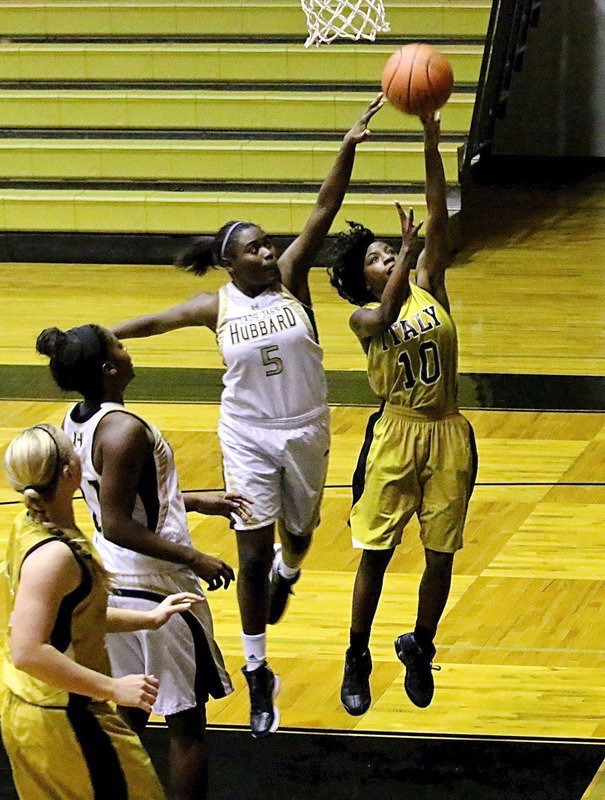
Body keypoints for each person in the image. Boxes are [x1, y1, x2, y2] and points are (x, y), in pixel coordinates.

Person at [109, 94, 385, 737]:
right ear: (231, 263)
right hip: (247, 434)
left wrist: (346, 149)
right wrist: (100, 334)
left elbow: (324, 209)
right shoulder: (216, 304)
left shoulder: (292, 277)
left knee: (301, 533)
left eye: (267, 246)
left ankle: (292, 567)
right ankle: (259, 671)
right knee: (251, 552)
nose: (268, 254)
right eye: (255, 249)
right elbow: (155, 321)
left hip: (308, 425)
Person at [36, 325, 248, 800]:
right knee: (186, 725)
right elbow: (117, 522)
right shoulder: (127, 429)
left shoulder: (76, 419)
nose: (129, 353)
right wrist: (196, 556)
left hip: (110, 579)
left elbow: (118, 496)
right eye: (121, 348)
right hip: (156, 584)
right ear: (110, 370)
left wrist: (193, 501)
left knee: (129, 714)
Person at [326, 113, 478, 714]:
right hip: (395, 435)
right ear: (358, 281)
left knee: (440, 553)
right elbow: (386, 318)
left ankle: (420, 642)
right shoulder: (363, 320)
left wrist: (432, 143)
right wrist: (408, 251)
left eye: (392, 252)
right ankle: (356, 652)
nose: (390, 259)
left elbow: (437, 218)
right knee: (377, 553)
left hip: (447, 431)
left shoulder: (428, 283)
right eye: (377, 258)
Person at [1, 423, 204, 800]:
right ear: (70, 474)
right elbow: (28, 650)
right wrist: (113, 687)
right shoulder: (55, 556)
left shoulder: (28, 526)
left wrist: (149, 617)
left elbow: (67, 617)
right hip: (64, 715)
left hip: (34, 709)